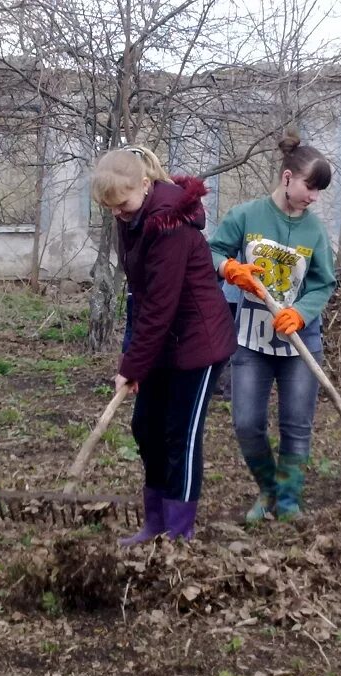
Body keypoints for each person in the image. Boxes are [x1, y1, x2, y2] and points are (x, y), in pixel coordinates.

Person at [92, 145, 236, 544]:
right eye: (112, 209)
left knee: (180, 435)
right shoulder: (133, 216)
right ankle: (154, 523)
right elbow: (139, 294)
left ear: (144, 184)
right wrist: (131, 359)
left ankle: (178, 532)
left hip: (198, 344)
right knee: (146, 427)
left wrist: (134, 364)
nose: (119, 214)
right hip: (163, 340)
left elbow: (161, 306)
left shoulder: (169, 223)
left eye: (123, 205)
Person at [209, 132, 337, 523]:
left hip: (300, 343)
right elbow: (213, 250)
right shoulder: (247, 216)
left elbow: (323, 283)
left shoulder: (314, 231)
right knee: (246, 422)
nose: (313, 198)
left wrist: (300, 312)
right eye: (309, 188)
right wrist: (229, 268)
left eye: (318, 192)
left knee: (296, 426)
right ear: (286, 177)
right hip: (250, 339)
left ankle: (288, 501)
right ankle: (267, 487)